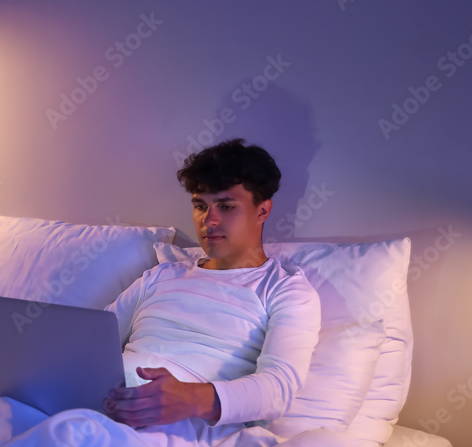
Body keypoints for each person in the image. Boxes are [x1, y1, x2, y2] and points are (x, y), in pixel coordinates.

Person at [103, 139, 321, 428]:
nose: (209, 220)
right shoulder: (161, 276)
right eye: (200, 205)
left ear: (262, 211)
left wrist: (191, 398)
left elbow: (278, 389)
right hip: (100, 402)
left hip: (177, 426)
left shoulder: (285, 290)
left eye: (226, 206)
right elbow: (93, 340)